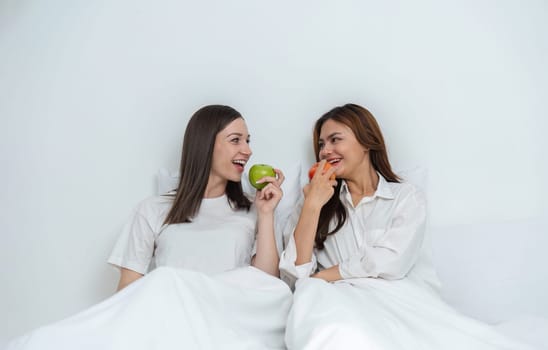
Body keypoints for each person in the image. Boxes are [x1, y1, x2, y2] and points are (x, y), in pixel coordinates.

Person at [7, 105, 292, 350]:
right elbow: (128, 292)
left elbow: (264, 285)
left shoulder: (253, 210)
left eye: (248, 140)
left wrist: (266, 214)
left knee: (167, 279)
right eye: (236, 140)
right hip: (171, 318)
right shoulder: (153, 209)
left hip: (226, 318)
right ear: (206, 144)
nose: (248, 150)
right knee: (163, 281)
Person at [279, 103, 536, 350]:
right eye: (322, 144)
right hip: (339, 301)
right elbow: (297, 275)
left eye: (335, 140)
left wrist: (324, 275)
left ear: (367, 141)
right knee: (316, 301)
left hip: (394, 298)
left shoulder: (406, 198)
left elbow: (390, 262)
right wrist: (312, 206)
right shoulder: (314, 198)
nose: (325, 150)